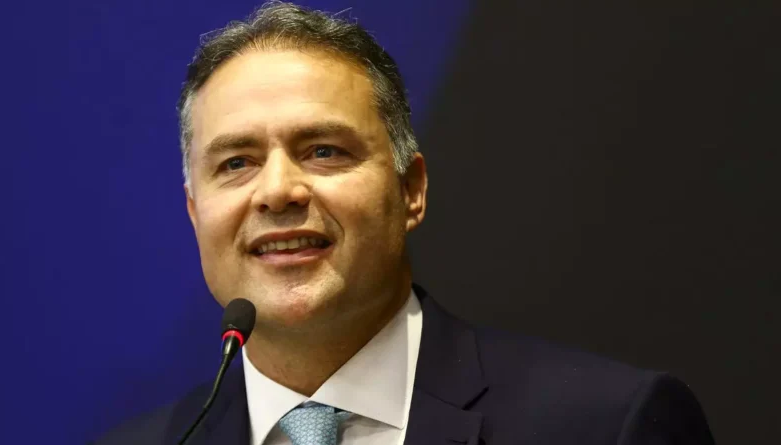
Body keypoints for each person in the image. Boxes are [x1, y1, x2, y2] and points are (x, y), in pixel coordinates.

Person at [95, 1, 715, 444]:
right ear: (195, 213)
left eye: (323, 151)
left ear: (411, 190)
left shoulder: (607, 424)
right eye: (236, 162)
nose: (278, 191)